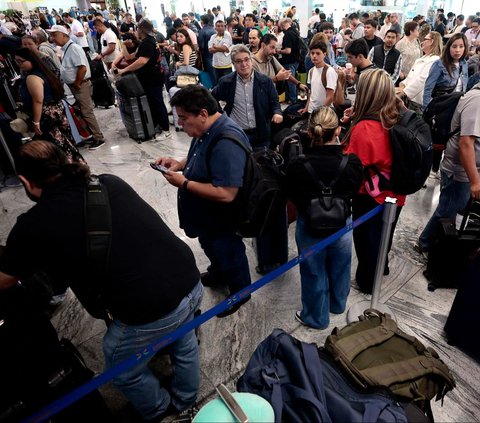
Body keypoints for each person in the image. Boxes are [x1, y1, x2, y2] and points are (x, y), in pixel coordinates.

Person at [0, 140, 203, 422]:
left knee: (121, 368)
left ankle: (161, 411)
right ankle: (186, 398)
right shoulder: (108, 181)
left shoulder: (32, 225)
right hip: (190, 280)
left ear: (24, 180)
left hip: (152, 309)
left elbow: (5, 281)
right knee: (184, 337)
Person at [155, 85, 252, 318]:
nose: (180, 124)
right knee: (211, 247)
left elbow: (227, 193)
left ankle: (241, 290)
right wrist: (179, 163)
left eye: (183, 118)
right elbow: (200, 154)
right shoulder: (206, 130)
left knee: (228, 252)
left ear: (203, 114)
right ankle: (218, 272)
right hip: (207, 216)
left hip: (222, 219)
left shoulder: (226, 140)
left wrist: (184, 183)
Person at [286, 110, 362, 329]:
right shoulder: (352, 163)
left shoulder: (298, 165)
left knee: (312, 270)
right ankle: (337, 305)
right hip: (342, 224)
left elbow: (292, 194)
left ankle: (316, 317)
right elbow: (354, 190)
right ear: (338, 130)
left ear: (310, 132)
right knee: (341, 266)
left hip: (310, 225)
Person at [344, 69, 406, 294]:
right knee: (384, 235)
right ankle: (383, 266)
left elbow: (354, 165)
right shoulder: (398, 117)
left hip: (369, 196)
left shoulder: (364, 128)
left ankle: (367, 282)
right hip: (396, 192)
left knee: (366, 242)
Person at [416, 81, 480, 253]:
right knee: (448, 210)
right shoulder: (477, 100)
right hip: (459, 171)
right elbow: (466, 143)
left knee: (451, 208)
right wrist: (475, 181)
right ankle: (426, 244)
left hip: (465, 170)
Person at [14, 48, 81, 162]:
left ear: (31, 60)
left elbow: (38, 101)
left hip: (46, 116)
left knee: (57, 148)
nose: (19, 64)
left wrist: (36, 122)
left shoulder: (32, 77)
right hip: (57, 111)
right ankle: (77, 166)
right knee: (67, 143)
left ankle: (71, 169)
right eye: (17, 61)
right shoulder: (44, 72)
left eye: (22, 61)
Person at [212, 44, 282, 149]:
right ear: (233, 64)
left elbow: (274, 101)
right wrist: (220, 115)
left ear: (251, 60)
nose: (244, 64)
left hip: (261, 134)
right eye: (239, 61)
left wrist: (277, 113)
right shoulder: (226, 82)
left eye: (246, 60)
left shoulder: (265, 81)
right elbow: (212, 97)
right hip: (237, 133)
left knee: (261, 162)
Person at [48, 25, 105, 150]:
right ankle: (91, 135)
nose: (53, 38)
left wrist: (78, 83)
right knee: (82, 112)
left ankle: (99, 137)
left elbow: (82, 68)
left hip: (81, 85)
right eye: (52, 35)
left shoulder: (73, 48)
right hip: (76, 85)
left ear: (64, 35)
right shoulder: (65, 49)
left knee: (87, 112)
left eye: (55, 35)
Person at [114, 19, 171, 141]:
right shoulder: (144, 42)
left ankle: (166, 130)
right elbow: (130, 56)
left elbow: (142, 61)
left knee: (157, 102)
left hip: (153, 78)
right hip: (147, 79)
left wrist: (124, 71)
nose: (135, 31)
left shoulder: (148, 42)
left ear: (141, 29)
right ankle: (157, 126)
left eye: (137, 29)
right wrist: (123, 45)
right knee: (151, 103)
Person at [397, 31, 443, 108]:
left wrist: (404, 92)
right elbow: (411, 76)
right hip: (409, 98)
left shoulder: (435, 60)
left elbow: (422, 80)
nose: (422, 42)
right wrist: (403, 84)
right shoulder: (422, 58)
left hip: (418, 102)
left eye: (425, 39)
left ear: (431, 42)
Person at [299, 41, 338, 115]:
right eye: (312, 53)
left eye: (318, 53)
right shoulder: (311, 71)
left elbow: (330, 96)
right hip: (311, 111)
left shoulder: (329, 71)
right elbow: (311, 92)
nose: (314, 56)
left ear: (324, 54)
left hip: (323, 112)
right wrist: (307, 108)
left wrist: (320, 112)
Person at [278, 18, 301, 103]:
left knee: (291, 81)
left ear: (282, 25)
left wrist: (279, 51)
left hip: (289, 61)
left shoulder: (287, 34)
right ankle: (292, 99)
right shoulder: (295, 32)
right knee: (292, 80)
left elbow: (288, 50)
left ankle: (293, 100)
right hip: (296, 60)